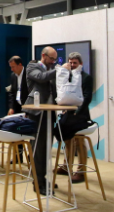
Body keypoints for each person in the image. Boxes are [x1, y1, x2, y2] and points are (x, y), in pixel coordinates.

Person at [54, 52, 94, 183]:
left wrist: (77, 112)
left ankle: (81, 171)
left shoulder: (86, 77)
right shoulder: (68, 76)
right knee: (67, 139)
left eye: (75, 63)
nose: (72, 65)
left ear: (80, 64)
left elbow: (87, 98)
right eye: (70, 63)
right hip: (68, 114)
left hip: (81, 115)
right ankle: (66, 167)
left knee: (79, 141)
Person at [25, 46, 59, 195]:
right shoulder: (32, 66)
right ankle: (38, 182)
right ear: (43, 56)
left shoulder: (51, 70)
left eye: (55, 59)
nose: (53, 62)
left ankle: (43, 178)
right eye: (51, 59)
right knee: (38, 149)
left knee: (46, 148)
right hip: (36, 113)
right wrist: (59, 70)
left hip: (49, 113)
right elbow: (41, 77)